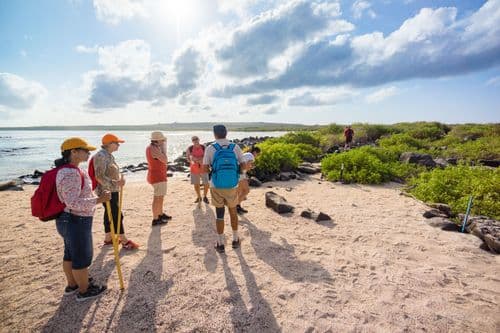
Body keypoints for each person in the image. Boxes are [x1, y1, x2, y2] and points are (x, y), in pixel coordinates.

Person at [55, 137, 110, 301]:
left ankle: (73, 285)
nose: (88, 153)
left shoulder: (71, 170)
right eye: (85, 150)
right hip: (75, 220)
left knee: (70, 254)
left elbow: (76, 197)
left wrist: (96, 196)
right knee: (81, 257)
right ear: (73, 152)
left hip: (68, 219)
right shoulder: (70, 173)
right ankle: (84, 291)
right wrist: (99, 200)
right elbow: (72, 202)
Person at [203, 125, 247, 253]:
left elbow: (205, 169)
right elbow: (243, 165)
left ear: (214, 134)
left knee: (219, 214)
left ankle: (220, 243)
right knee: (233, 212)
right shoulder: (235, 147)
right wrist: (235, 173)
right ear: (226, 133)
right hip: (232, 185)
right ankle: (235, 239)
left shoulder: (211, 148)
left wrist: (214, 170)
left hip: (216, 185)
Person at [93, 133, 139, 250]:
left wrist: (117, 182)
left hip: (112, 189)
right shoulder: (101, 156)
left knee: (109, 213)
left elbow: (108, 174)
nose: (119, 145)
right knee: (117, 214)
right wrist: (115, 182)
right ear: (109, 144)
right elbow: (99, 176)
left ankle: (108, 238)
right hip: (106, 191)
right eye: (116, 143)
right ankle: (124, 241)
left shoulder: (108, 155)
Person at [146, 131, 171, 226]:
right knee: (157, 198)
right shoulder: (153, 149)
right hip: (157, 177)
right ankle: (155, 218)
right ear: (157, 141)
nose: (164, 141)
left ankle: (160, 214)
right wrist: (164, 147)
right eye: (162, 140)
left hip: (158, 176)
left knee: (160, 197)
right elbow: (165, 160)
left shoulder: (153, 147)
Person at [236, 146, 261, 214]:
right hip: (240, 174)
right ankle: (236, 205)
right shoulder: (251, 156)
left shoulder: (246, 154)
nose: (257, 156)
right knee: (246, 190)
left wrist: (248, 168)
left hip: (236, 173)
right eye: (258, 154)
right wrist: (250, 168)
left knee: (239, 191)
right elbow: (246, 167)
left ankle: (237, 207)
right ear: (254, 152)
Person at [186, 136, 210, 204]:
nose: (195, 140)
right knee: (196, 184)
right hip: (194, 169)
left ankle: (205, 196)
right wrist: (192, 159)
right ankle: (199, 197)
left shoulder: (203, 147)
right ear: (192, 141)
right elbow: (187, 158)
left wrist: (199, 159)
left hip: (204, 168)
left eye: (196, 139)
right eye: (193, 140)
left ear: (199, 139)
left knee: (206, 184)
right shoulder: (189, 148)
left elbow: (207, 156)